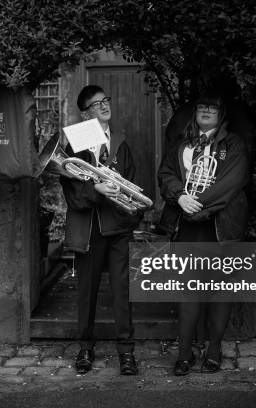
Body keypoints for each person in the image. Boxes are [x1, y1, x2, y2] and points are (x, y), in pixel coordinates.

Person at [157, 91, 249, 375]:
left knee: (220, 292)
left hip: (220, 229)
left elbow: (231, 183)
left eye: (213, 107)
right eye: (202, 107)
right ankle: (184, 353)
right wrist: (179, 197)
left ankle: (213, 350)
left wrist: (198, 207)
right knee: (187, 293)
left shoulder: (233, 144)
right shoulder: (181, 144)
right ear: (195, 112)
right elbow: (165, 174)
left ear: (221, 114)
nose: (206, 110)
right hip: (186, 228)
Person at [60, 85, 142, 375]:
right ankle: (85, 348)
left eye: (106, 100)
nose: (104, 105)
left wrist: (120, 197)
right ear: (85, 113)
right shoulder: (74, 145)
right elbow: (73, 195)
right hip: (89, 228)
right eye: (96, 104)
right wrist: (96, 189)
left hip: (118, 226)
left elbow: (131, 183)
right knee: (87, 291)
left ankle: (126, 352)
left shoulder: (120, 142)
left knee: (122, 290)